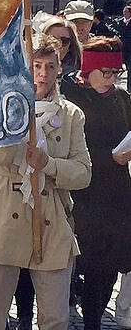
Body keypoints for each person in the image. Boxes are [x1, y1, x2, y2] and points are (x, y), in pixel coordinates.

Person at [0, 33, 91, 330]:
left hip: (50, 217)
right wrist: (17, 117)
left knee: (56, 318)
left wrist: (48, 164)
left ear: (59, 68)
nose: (42, 74)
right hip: (2, 213)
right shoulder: (0, 105)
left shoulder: (71, 115)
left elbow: (84, 173)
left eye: (49, 66)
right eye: (36, 65)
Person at [60, 36, 131, 330]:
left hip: (117, 192)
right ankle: (88, 320)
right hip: (84, 191)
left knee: (112, 265)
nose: (112, 79)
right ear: (88, 71)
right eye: (106, 73)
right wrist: (109, 157)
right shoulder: (73, 97)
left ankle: (94, 319)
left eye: (117, 73)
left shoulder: (123, 98)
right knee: (88, 262)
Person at [118, 6, 131, 74]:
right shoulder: (121, 22)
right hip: (123, 46)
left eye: (126, 12)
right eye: (124, 12)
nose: (124, 13)